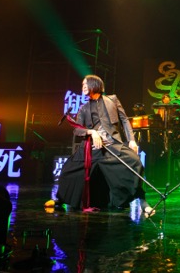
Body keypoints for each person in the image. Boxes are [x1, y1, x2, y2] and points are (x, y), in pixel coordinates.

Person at [54, 75, 155, 217]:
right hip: (90, 148)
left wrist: (131, 140)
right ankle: (60, 199)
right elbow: (77, 130)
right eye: (82, 84)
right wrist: (91, 132)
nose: (83, 87)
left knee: (134, 162)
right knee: (68, 169)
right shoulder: (84, 108)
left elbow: (124, 120)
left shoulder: (112, 100)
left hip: (112, 145)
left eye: (85, 84)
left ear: (95, 84)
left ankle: (143, 202)